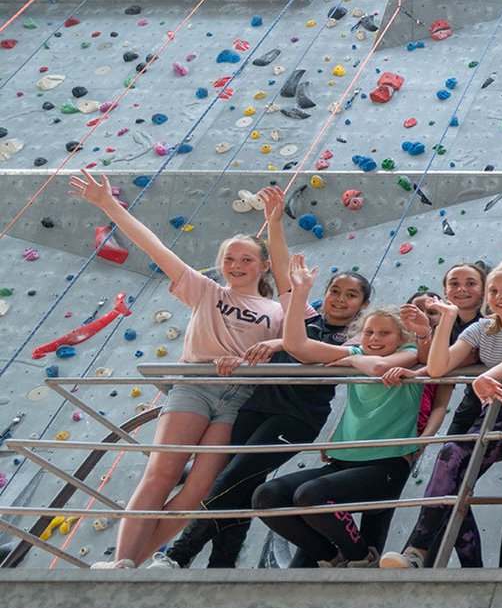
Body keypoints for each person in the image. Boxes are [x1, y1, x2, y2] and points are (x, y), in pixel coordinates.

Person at [70, 173, 289, 569]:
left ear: (263, 265)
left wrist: (274, 223)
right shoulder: (207, 290)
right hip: (196, 385)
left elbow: (294, 336)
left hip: (239, 397)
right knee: (162, 473)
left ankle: (134, 564)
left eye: (246, 259)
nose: (236, 265)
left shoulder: (277, 309)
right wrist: (108, 204)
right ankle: (124, 563)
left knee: (198, 492)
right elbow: (153, 246)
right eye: (229, 258)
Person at [156, 188, 369, 569]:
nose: (340, 299)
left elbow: (307, 351)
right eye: (335, 290)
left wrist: (277, 341)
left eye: (351, 295)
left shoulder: (356, 338)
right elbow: (286, 275)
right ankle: (221, 568)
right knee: (240, 486)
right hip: (258, 406)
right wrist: (273, 222)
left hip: (296, 418)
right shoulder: (303, 316)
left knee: (236, 477)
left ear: (362, 304)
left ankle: (177, 553)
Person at [254, 256, 424, 567]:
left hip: (386, 463)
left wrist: (351, 358)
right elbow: (298, 346)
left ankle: (362, 558)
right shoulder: (358, 351)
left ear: (401, 339)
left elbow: (380, 367)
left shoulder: (410, 354)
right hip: (343, 461)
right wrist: (300, 293)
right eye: (369, 333)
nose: (374, 339)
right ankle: (332, 557)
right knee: (267, 496)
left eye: (384, 334)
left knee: (311, 496)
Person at [381, 261, 502, 568]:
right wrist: (446, 319)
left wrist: (488, 376)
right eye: (494, 290)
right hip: (489, 413)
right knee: (454, 482)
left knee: (452, 458)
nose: (500, 296)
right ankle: (439, 560)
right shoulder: (481, 328)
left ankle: (417, 549)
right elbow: (437, 368)